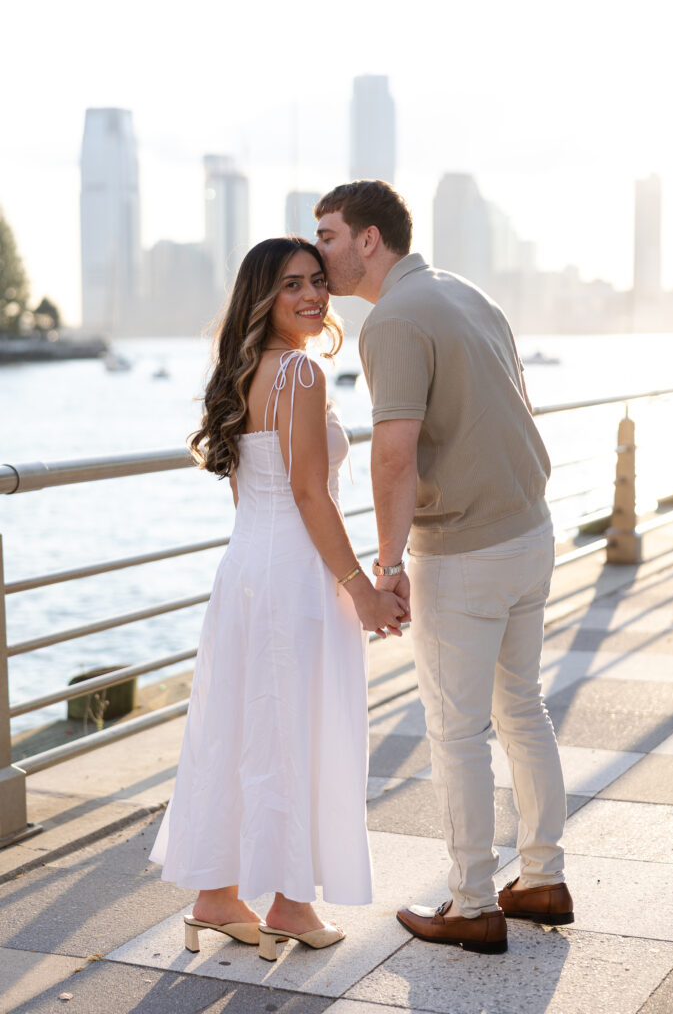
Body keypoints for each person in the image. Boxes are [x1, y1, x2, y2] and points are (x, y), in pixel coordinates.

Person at [314, 181, 573, 955]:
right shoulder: (466, 293)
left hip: (463, 550)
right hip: (529, 530)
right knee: (521, 708)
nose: (318, 249)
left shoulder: (392, 319)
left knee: (456, 730)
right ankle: (540, 877)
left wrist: (387, 565)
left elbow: (393, 455)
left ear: (368, 240)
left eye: (327, 234)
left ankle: (469, 903)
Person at [150, 237, 406, 963]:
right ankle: (290, 902)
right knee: (292, 728)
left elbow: (250, 490)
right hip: (293, 574)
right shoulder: (298, 370)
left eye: (318, 282)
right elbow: (306, 493)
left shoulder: (242, 371)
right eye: (292, 284)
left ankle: (217, 895)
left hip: (246, 570)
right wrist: (359, 587)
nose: (312, 296)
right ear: (262, 295)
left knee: (241, 726)